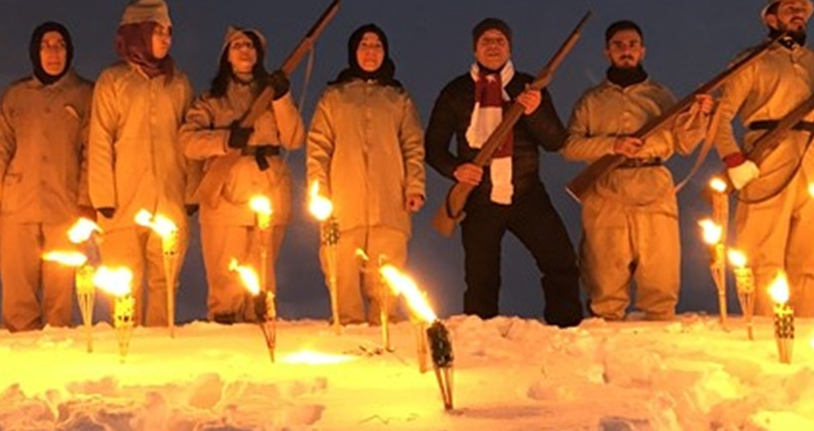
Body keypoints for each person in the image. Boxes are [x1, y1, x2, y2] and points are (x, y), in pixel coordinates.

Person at [425, 17, 584, 325]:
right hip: (479, 199)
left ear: (510, 47)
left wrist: (535, 111)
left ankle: (566, 331)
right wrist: (456, 170)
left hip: (527, 193)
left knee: (561, 262)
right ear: (475, 49)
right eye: (486, 40)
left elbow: (555, 141)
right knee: (481, 279)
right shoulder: (456, 91)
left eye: (500, 40)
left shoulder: (530, 87)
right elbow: (433, 147)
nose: (493, 46)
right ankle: (482, 341)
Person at [708, 0, 814, 315]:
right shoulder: (751, 62)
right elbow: (721, 116)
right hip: (767, 157)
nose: (797, 13)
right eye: (789, 8)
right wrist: (734, 160)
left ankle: (804, 322)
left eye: (802, 9)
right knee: (761, 249)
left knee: (810, 252)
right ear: (771, 18)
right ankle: (762, 326)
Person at [560, 20, 712, 320]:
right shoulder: (590, 101)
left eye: (632, 45)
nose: (625, 50)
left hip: (653, 186)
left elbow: (684, 143)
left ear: (642, 51)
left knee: (660, 276)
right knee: (605, 277)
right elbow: (570, 146)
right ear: (607, 52)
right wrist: (612, 146)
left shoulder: (662, 96)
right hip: (606, 190)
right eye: (618, 45)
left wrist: (701, 115)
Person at [179, 27, 306, 323]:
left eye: (250, 45)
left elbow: (294, 138)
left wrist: (282, 97)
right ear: (227, 55)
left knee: (263, 272)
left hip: (269, 188)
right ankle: (225, 326)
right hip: (226, 192)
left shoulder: (273, 95)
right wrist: (225, 140)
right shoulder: (211, 100)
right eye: (237, 45)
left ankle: (262, 327)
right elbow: (187, 142)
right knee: (226, 272)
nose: (244, 50)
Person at [304, 24, 426, 325]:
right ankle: (348, 327)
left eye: (377, 46)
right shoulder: (334, 96)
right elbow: (318, 147)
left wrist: (415, 186)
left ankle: (385, 330)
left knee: (386, 274)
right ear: (352, 51)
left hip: (389, 201)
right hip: (344, 201)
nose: (370, 52)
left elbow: (412, 145)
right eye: (364, 45)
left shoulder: (398, 98)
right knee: (342, 272)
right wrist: (318, 192)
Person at [0, 21, 93, 331]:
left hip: (64, 208)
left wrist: (86, 202)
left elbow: (90, 154)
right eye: (46, 45)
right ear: (34, 51)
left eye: (60, 45)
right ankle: (20, 357)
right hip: (18, 207)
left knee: (59, 299)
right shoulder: (16, 95)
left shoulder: (84, 94)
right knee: (18, 297)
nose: (53, 53)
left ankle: (56, 357)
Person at [87, 0, 194, 324]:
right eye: (157, 30)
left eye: (168, 32)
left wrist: (192, 191)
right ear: (138, 33)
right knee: (124, 283)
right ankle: (125, 353)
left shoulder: (177, 82)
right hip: (122, 202)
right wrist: (102, 197)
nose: (165, 38)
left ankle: (160, 350)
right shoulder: (113, 81)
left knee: (165, 282)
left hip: (169, 198)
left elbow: (190, 138)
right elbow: (100, 140)